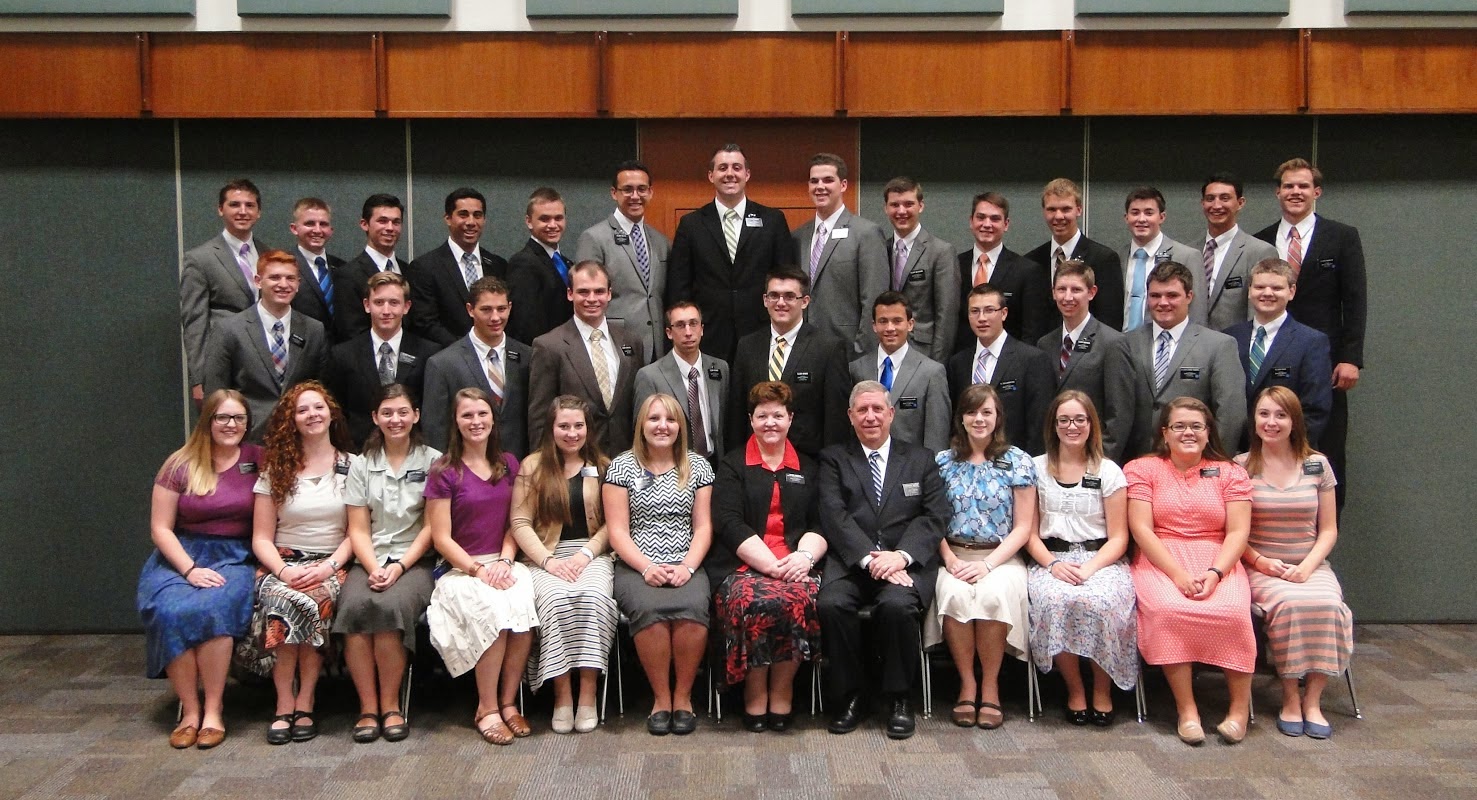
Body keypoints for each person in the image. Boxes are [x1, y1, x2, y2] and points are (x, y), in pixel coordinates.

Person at [817, 381, 949, 740]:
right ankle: (851, 696)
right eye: (862, 410)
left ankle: (899, 698)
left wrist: (900, 556)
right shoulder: (833, 459)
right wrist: (869, 559)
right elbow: (834, 515)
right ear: (850, 416)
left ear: (891, 414)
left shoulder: (921, 459)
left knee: (896, 608)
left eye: (878, 409)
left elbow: (934, 516)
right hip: (852, 563)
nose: (870, 416)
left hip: (904, 564)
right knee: (831, 605)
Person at [1125, 397, 1255, 746]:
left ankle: (1238, 711)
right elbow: (1141, 529)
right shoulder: (1142, 469)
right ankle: (1187, 710)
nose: (1188, 433)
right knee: (1169, 609)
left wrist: (1215, 573)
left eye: (1197, 426)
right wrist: (1178, 575)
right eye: (1179, 426)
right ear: (1164, 433)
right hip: (1160, 559)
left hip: (1218, 558)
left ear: (1208, 432)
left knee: (1232, 611)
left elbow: (1238, 533)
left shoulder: (1231, 473)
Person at [137, 390, 259, 750]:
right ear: (208, 421)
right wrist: (189, 570)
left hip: (236, 555)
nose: (231, 425)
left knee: (215, 608)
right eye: (222, 417)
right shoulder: (179, 464)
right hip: (182, 556)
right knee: (169, 611)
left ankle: (214, 711)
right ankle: (190, 711)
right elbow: (160, 528)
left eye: (238, 418)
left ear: (247, 423)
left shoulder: (259, 459)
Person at [1235, 386, 1352, 740]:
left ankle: (1312, 700)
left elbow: (1329, 530)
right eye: (1264, 414)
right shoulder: (1240, 467)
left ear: (1294, 421)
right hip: (1260, 567)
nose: (1271, 422)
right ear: (1254, 420)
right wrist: (1262, 563)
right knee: (1289, 605)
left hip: (1310, 565)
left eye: (1281, 415)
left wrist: (1308, 566)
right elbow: (1233, 534)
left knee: (1329, 604)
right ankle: (1289, 696)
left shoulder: (1318, 465)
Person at [710, 381, 826, 733]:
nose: (770, 423)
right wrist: (772, 567)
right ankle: (755, 689)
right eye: (762, 416)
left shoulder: (809, 466)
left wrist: (804, 558)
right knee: (751, 600)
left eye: (778, 415)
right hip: (744, 563)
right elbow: (728, 522)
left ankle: (783, 688)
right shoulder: (733, 465)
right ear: (751, 420)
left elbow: (821, 522)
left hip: (797, 564)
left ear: (790, 419)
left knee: (798, 599)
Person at [425, 388, 538, 745]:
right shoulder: (444, 471)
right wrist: (478, 570)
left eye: (482, 414)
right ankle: (486, 708)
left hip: (504, 561)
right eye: (467, 415)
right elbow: (441, 538)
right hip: (462, 569)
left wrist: (505, 560)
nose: (476, 422)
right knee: (495, 613)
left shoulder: (509, 464)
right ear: (456, 422)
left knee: (522, 609)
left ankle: (508, 702)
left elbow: (518, 522)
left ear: (493, 419)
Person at [1253, 158, 1366, 511]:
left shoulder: (1341, 237)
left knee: (1325, 447)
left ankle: (1326, 532)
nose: (1295, 192)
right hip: (1270, 354)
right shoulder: (1259, 241)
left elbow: (1355, 299)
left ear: (1317, 192)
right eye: (1288, 186)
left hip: (1324, 361)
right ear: (1277, 192)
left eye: (1303, 186)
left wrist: (1350, 358)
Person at [249, 380, 355, 745]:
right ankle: (284, 702)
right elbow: (261, 538)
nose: (312, 414)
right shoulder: (275, 470)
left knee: (313, 600)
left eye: (318, 407)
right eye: (302, 410)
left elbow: (357, 533)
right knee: (284, 599)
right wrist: (284, 571)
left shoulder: (352, 466)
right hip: (282, 563)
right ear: (291, 420)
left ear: (331, 413)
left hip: (332, 563)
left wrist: (328, 567)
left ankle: (306, 699)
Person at [1023, 390, 1137, 727]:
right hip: (1051, 558)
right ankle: (1074, 689)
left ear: (1091, 424)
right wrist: (1053, 565)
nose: (1072, 426)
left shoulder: (1109, 471)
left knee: (1100, 602)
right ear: (1053, 425)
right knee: (1056, 602)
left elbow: (1120, 537)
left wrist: (1089, 568)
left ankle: (1102, 689)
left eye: (1079, 419)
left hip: (1101, 559)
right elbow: (1029, 534)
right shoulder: (1035, 468)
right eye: (1064, 420)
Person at [604, 393, 715, 736]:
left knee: (692, 610)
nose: (662, 426)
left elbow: (703, 527)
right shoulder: (621, 467)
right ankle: (661, 699)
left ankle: (683, 698)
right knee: (651, 612)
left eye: (670, 419)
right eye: (654, 419)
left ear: (681, 426)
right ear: (642, 425)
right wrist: (646, 567)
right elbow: (617, 531)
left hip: (687, 562)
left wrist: (688, 567)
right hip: (635, 565)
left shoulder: (698, 466)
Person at [928, 384, 1038, 730]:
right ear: (961, 418)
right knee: (955, 594)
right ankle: (967, 683)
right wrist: (949, 559)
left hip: (1001, 557)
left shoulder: (1017, 461)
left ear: (997, 417)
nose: (979, 419)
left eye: (986, 412)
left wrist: (988, 565)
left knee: (992, 595)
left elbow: (1023, 527)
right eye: (972, 412)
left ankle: (990, 684)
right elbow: (931, 520)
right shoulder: (942, 462)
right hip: (954, 555)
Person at [336, 384, 440, 744]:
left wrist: (399, 567)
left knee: (389, 606)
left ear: (416, 416)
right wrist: (374, 567)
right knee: (353, 605)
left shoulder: (434, 462)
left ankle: (391, 705)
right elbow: (358, 528)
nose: (395, 419)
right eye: (387, 413)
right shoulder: (361, 465)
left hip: (416, 561)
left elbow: (432, 528)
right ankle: (368, 708)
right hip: (370, 559)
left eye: (402, 412)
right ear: (375, 418)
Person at [509, 395, 618, 735]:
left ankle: (587, 694)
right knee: (554, 601)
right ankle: (562, 696)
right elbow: (519, 522)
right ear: (551, 428)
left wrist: (586, 554)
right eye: (564, 426)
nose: (572, 433)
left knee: (593, 599)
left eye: (578, 426)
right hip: (544, 556)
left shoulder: (604, 466)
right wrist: (548, 561)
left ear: (589, 429)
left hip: (592, 555)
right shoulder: (532, 466)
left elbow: (614, 525)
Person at [665, 143, 795, 364]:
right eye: (722, 168)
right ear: (711, 175)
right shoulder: (691, 224)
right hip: (708, 334)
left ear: (747, 174)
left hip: (761, 331)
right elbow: (679, 286)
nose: (730, 174)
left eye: (736, 167)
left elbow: (786, 278)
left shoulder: (773, 220)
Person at [203, 249, 329, 443]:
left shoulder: (314, 330)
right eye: (275, 277)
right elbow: (215, 394)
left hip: (300, 438)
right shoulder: (229, 329)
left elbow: (320, 389)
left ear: (298, 284)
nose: (283, 284)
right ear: (258, 281)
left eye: (290, 278)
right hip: (247, 438)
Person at [1124, 260, 1246, 457]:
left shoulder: (1219, 345)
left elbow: (1230, 413)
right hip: (1136, 461)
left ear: (1189, 296)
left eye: (1172, 295)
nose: (1163, 302)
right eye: (1155, 296)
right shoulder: (1126, 343)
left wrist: (1216, 462)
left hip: (1196, 461)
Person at [729, 268, 852, 459]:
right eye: (774, 295)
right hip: (755, 461)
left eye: (789, 296)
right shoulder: (747, 346)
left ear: (805, 301)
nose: (780, 302)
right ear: (765, 300)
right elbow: (737, 412)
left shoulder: (828, 348)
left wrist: (831, 467)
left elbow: (835, 419)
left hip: (809, 461)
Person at [528, 260, 645, 455]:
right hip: (575, 459)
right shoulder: (549, 346)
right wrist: (542, 463)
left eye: (599, 291)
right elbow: (540, 418)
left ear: (609, 294)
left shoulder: (631, 342)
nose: (592, 299)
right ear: (570, 294)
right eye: (583, 292)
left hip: (626, 458)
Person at [1223, 259, 1333, 449]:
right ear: (1249, 291)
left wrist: (1285, 450)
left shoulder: (1311, 342)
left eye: (1276, 288)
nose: (1267, 293)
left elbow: (1315, 407)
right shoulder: (1228, 338)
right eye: (1260, 287)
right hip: (1234, 451)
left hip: (1288, 452)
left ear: (1291, 291)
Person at [324, 270, 439, 449]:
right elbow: (337, 412)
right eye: (379, 302)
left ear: (406, 307)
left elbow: (433, 413)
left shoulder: (429, 353)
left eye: (394, 303)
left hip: (415, 451)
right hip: (360, 453)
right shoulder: (343, 355)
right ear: (366, 305)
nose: (386, 311)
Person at [422, 276, 533, 458]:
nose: (495, 317)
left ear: (510, 307)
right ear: (470, 310)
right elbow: (435, 431)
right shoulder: (443, 364)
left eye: (501, 309)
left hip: (520, 466)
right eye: (486, 310)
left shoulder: (528, 357)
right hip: (466, 468)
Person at [1038, 260, 1137, 463]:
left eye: (1076, 290)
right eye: (1061, 289)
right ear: (1053, 293)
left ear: (1091, 293)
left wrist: (1101, 461)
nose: (1068, 297)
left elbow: (1119, 413)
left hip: (1095, 458)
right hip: (1055, 457)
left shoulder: (1112, 343)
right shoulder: (1044, 344)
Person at [181, 179, 268, 406]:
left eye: (250, 205)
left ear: (258, 212)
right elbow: (195, 323)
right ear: (220, 209)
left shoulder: (269, 254)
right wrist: (199, 378)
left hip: (264, 366)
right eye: (234, 204)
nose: (243, 211)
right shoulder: (200, 258)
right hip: (222, 363)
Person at [792, 152, 889, 355]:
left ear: (843, 185)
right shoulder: (799, 236)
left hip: (849, 350)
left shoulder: (866, 233)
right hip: (804, 349)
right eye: (814, 181)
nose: (820, 186)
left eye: (828, 180)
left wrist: (862, 353)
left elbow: (874, 299)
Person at [575, 159, 670, 360]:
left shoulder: (662, 242)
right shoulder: (594, 238)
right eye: (627, 189)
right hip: (613, 344)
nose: (635, 196)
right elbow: (585, 299)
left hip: (657, 346)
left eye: (641, 189)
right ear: (614, 193)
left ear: (650, 192)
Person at [946, 284, 1055, 455]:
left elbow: (1039, 424)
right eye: (975, 311)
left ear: (1004, 313)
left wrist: (1028, 465)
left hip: (1015, 461)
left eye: (989, 310)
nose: (982, 318)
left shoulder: (1032, 360)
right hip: (968, 460)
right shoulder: (957, 363)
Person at [848, 291, 951, 453]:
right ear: (874, 326)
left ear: (910, 324)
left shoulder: (931, 373)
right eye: (883, 321)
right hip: (864, 464)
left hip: (913, 465)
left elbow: (936, 437)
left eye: (897, 321)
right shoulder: (856, 369)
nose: (890, 328)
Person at [407, 187, 509, 347]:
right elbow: (425, 323)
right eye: (463, 214)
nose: (471, 222)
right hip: (447, 356)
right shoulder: (425, 267)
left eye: (477, 215)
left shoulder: (498, 265)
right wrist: (468, 351)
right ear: (448, 218)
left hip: (494, 354)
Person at [633, 302, 729, 462]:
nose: (688, 332)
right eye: (680, 325)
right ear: (669, 332)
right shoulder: (650, 376)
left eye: (693, 324)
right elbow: (641, 431)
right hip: (671, 464)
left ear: (702, 329)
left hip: (715, 463)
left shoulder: (720, 368)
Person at [956, 192, 1054, 348]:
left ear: (1006, 224)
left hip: (1009, 359)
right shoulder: (954, 265)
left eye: (995, 219)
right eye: (981, 217)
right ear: (971, 221)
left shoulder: (1027, 271)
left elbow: (1031, 331)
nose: (987, 224)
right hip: (962, 359)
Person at [1024, 178, 1124, 330]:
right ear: (1044, 212)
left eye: (1066, 209)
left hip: (1089, 344)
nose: (1058, 216)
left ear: (1079, 210)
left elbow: (1110, 321)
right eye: (1052, 209)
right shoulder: (1032, 261)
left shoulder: (1104, 259)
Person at [882, 177, 959, 361]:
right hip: (884, 351)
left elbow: (946, 316)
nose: (901, 211)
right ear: (886, 208)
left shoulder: (941, 252)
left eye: (908, 204)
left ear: (921, 206)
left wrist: (937, 364)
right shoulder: (879, 249)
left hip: (924, 353)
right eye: (895, 205)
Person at [1195, 172, 1278, 331]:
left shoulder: (1260, 251)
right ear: (1202, 203)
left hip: (1235, 343)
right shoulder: (1188, 252)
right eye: (1210, 199)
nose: (1216, 205)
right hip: (1191, 343)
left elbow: (1260, 312)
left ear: (1240, 203)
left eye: (1225, 198)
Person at [1120, 187, 1204, 330]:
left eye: (1149, 213)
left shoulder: (1187, 256)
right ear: (1126, 218)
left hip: (1167, 340)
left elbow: (1198, 313)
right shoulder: (1117, 257)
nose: (1141, 219)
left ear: (1162, 217)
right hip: (1121, 340)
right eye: (1135, 213)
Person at [506, 187, 575, 345]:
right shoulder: (523, 263)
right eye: (545, 219)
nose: (553, 225)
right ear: (529, 221)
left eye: (558, 218)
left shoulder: (567, 263)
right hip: (543, 351)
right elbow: (524, 324)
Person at [333, 194, 406, 341]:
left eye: (396, 222)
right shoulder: (347, 275)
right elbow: (350, 331)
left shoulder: (410, 271)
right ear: (364, 224)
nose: (390, 228)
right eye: (382, 221)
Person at [288, 197, 346, 342]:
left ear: (331, 230)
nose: (317, 230)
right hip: (301, 347)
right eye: (310, 223)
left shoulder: (342, 268)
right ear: (294, 229)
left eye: (323, 224)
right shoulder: (284, 267)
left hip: (339, 349)